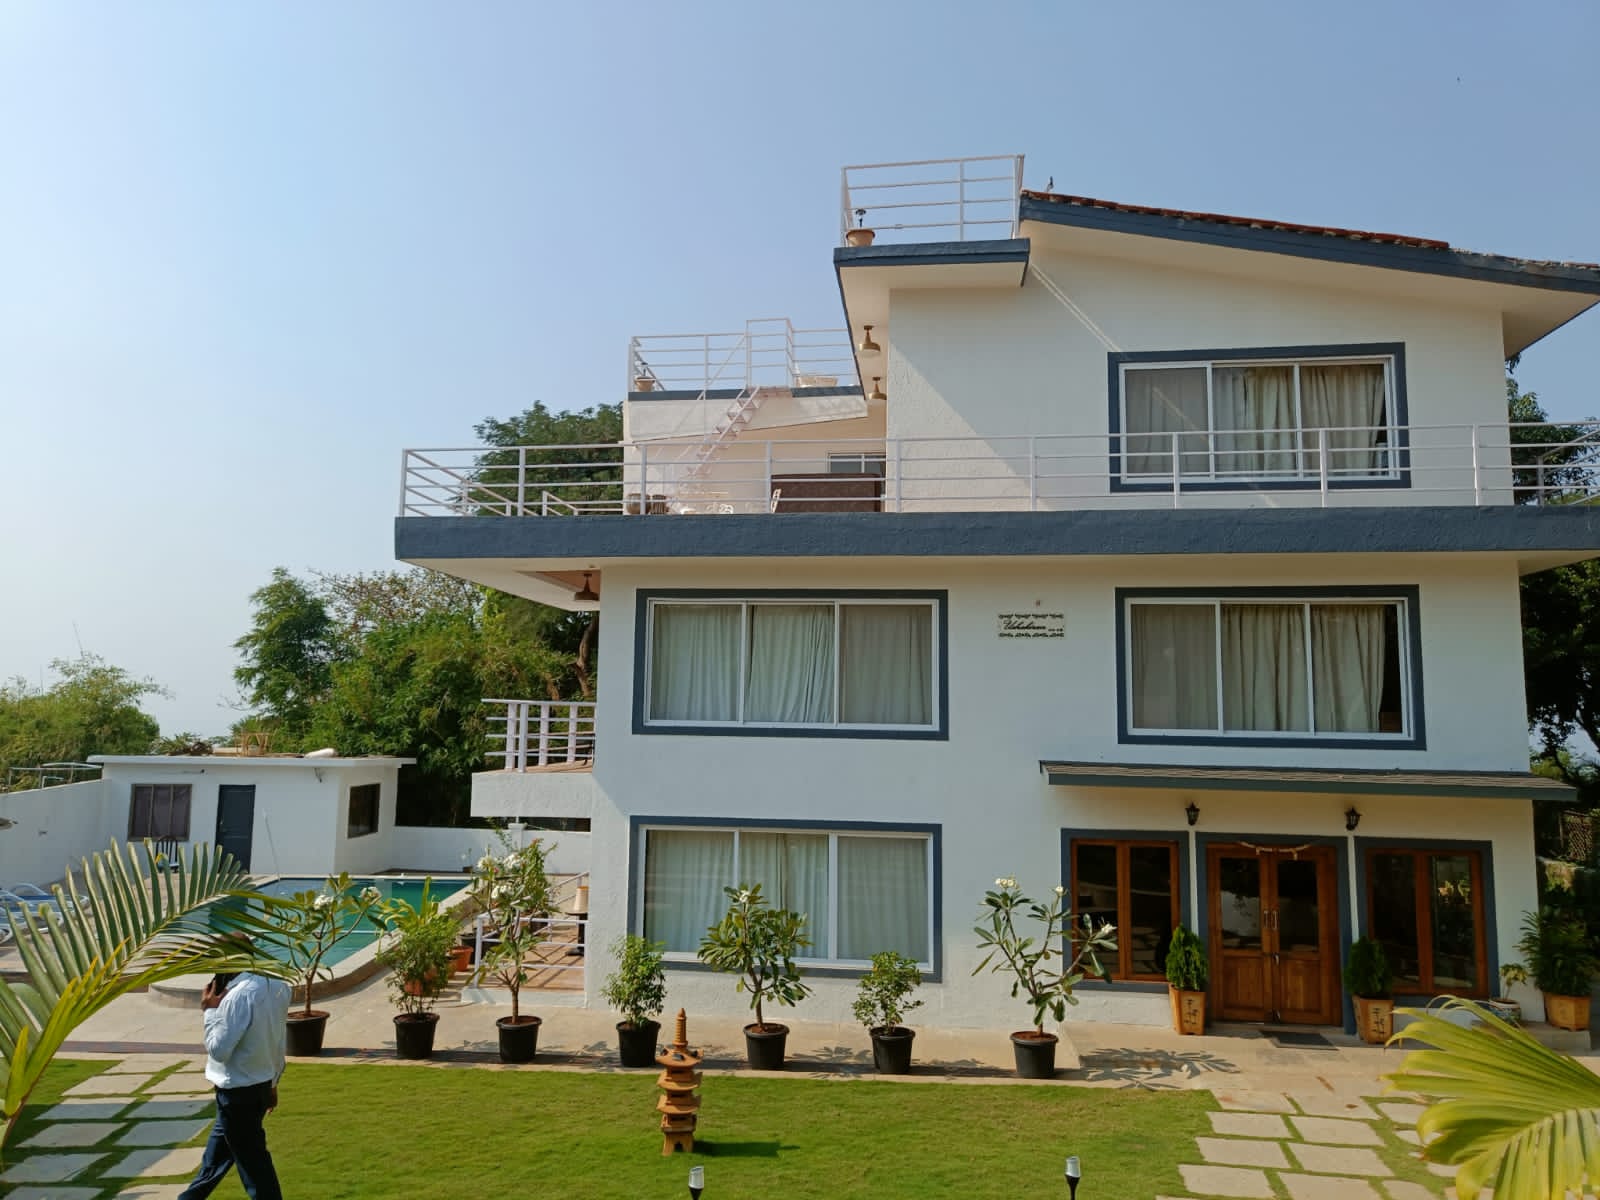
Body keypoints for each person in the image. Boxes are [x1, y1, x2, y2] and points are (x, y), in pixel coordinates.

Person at [178, 967, 293, 1200]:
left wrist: (210, 1010)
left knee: (255, 1167)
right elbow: (277, 1040)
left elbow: (219, 1051)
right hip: (258, 1087)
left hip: (237, 1095)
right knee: (214, 1162)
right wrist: (273, 1083)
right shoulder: (278, 987)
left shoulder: (238, 996)